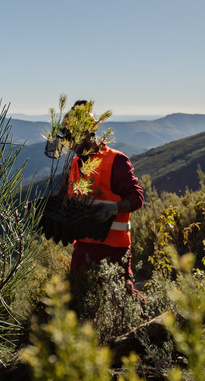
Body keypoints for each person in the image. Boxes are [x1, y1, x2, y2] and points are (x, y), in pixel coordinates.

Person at [62, 101, 145, 310]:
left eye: (72, 137)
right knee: (78, 301)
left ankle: (155, 321)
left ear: (88, 133)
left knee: (121, 301)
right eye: (68, 137)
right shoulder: (75, 164)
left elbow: (137, 197)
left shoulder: (115, 160)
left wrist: (114, 209)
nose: (69, 143)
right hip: (82, 246)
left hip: (114, 248)